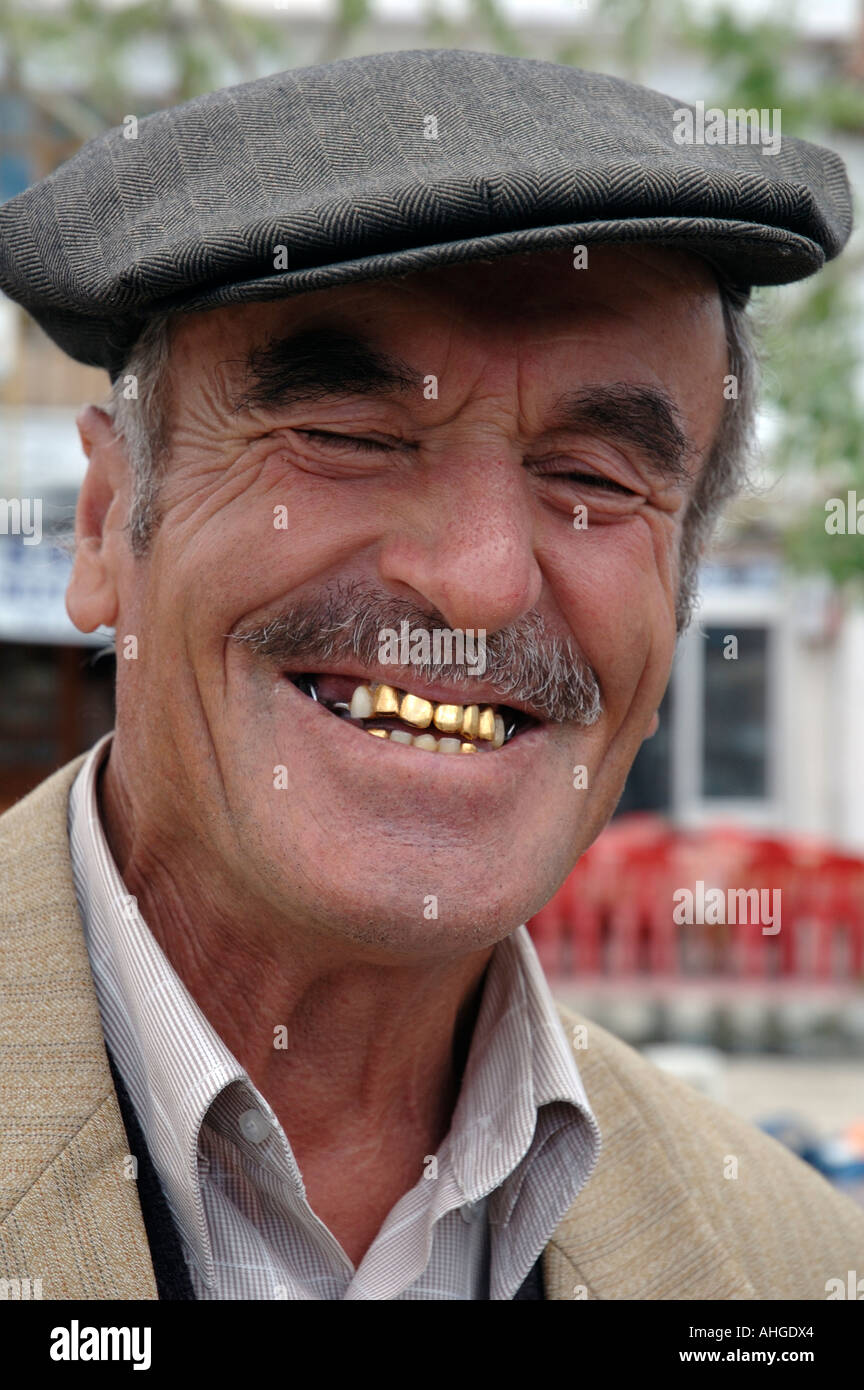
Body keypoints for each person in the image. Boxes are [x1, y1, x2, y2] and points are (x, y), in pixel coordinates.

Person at [0, 48, 861, 1300]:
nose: (478, 583)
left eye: (595, 481)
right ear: (103, 524)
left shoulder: (787, 1267)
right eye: (349, 439)